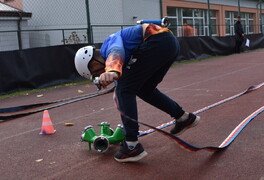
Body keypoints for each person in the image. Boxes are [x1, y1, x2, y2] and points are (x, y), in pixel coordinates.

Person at [74, 22, 200, 163]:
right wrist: (114, 73)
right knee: (144, 90)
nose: (99, 74)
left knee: (123, 90)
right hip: (168, 44)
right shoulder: (114, 48)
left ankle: (131, 146)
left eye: (95, 72)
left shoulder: (108, 44)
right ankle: (183, 118)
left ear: (93, 63)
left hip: (158, 41)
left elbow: (116, 51)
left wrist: (111, 71)